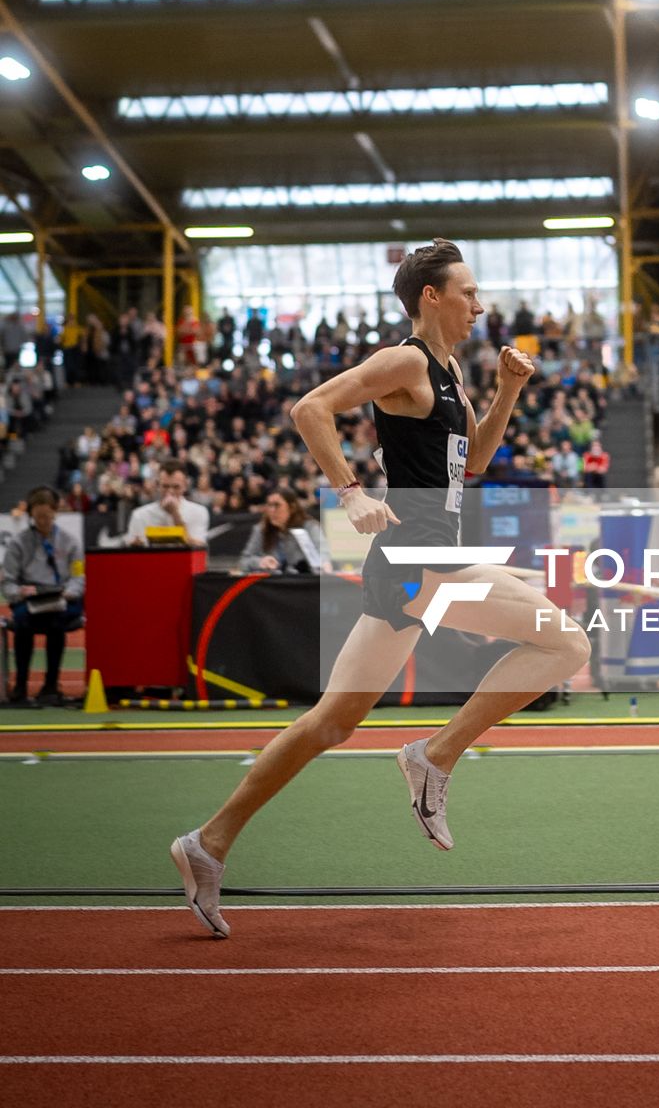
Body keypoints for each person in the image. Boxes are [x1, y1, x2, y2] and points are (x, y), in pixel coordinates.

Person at [170, 240, 590, 939]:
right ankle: (435, 755)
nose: (480, 304)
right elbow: (311, 408)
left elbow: (476, 461)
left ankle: (206, 843)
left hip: (413, 565)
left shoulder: (450, 370)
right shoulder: (405, 361)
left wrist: (509, 390)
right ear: (432, 296)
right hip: (421, 559)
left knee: (330, 725)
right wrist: (350, 492)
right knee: (565, 643)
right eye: (468, 291)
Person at [1, 486, 84, 706]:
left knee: (57, 624)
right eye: (38, 517)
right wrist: (19, 591)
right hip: (30, 598)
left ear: (55, 512)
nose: (43, 522)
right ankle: (20, 686)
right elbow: (8, 581)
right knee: (22, 624)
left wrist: (69, 593)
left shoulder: (70, 542)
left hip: (61, 597)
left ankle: (51, 684)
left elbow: (79, 577)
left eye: (47, 516)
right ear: (31, 515)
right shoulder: (18, 543)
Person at [236, 488, 331, 574]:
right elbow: (243, 561)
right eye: (269, 505)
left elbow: (323, 554)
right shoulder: (261, 529)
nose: (272, 510)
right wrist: (260, 562)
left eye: (277, 505)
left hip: (303, 584)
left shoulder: (309, 527)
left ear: (292, 507)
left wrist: (324, 564)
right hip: (273, 587)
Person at [124, 461, 210, 548]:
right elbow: (131, 550)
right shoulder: (139, 515)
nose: (170, 492)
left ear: (185, 486)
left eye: (176, 487)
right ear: (158, 485)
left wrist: (175, 514)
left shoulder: (199, 512)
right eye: (165, 486)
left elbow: (197, 549)